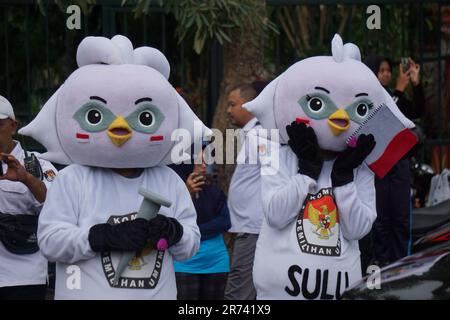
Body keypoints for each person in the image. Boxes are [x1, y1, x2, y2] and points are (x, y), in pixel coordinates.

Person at [19, 35, 209, 299]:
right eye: (96, 116)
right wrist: (100, 237)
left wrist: (174, 232)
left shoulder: (169, 180)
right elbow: (51, 241)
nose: (120, 128)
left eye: (144, 117)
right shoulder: (73, 179)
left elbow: (191, 244)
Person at [243, 34, 416, 299]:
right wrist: (306, 173)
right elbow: (276, 214)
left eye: (357, 109)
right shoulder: (280, 155)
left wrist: (344, 181)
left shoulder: (360, 167)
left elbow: (358, 229)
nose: (339, 118)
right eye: (317, 103)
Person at [362, 54, 425, 269]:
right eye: (382, 70)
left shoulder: (393, 95)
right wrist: (398, 90)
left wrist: (415, 83)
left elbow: (417, 112)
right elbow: (381, 117)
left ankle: (401, 267)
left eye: (389, 70)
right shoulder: (366, 98)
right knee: (381, 220)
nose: (387, 74)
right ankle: (380, 265)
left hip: (399, 166)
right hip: (378, 167)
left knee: (400, 218)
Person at [0, 95, 58, 300]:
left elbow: (57, 207)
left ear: (13, 126)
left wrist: (26, 178)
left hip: (23, 276)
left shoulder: (38, 164)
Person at [173, 147, 231, 300]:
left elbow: (225, 222)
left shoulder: (213, 189)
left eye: (206, 161)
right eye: (199, 162)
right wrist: (187, 193)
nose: (204, 166)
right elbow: (173, 223)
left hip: (216, 262)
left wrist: (192, 232)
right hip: (185, 264)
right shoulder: (175, 189)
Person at [224, 83, 263, 300]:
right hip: (245, 227)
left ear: (248, 105)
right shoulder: (250, 135)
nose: (228, 110)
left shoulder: (261, 136)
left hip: (253, 228)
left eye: (232, 104)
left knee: (238, 293)